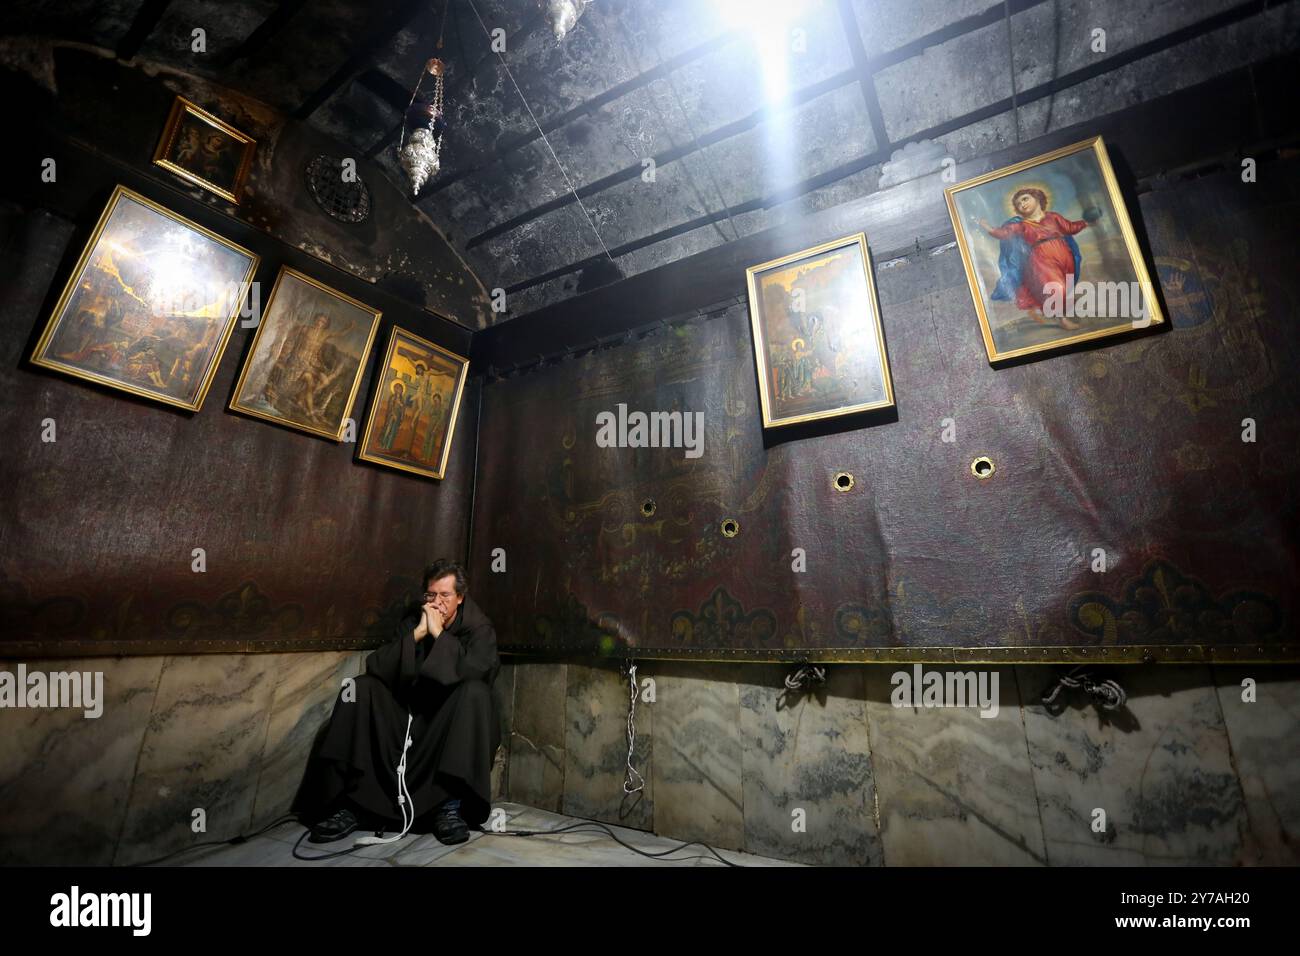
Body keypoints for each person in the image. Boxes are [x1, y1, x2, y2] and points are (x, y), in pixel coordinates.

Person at [292, 559, 501, 845]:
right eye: (431, 595)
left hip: (446, 721)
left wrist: (440, 636)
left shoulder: (479, 628)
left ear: (460, 597)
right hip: (406, 716)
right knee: (359, 689)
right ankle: (354, 805)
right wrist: (419, 634)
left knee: (475, 693)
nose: (436, 602)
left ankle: (448, 807)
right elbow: (378, 666)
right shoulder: (413, 621)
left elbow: (475, 673)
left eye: (445, 595)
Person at [976, 186, 1090, 331]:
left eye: (1025, 199)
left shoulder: (1053, 217)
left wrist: (1085, 223)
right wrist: (988, 228)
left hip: (1064, 255)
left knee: (1064, 283)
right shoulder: (1022, 225)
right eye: (1018, 204)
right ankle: (1062, 319)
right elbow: (1005, 233)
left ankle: (1063, 308)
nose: (1022, 204)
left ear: (1037, 198)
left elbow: (1069, 228)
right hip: (1041, 258)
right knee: (1054, 287)